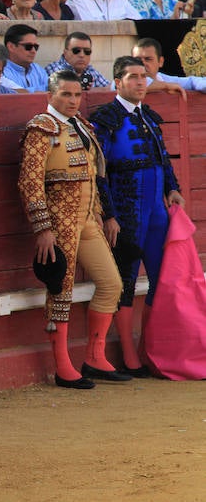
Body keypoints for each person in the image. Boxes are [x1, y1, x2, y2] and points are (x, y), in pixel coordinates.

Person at [17, 70, 127, 389]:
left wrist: (104, 215)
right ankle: (62, 366)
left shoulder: (82, 126)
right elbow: (29, 182)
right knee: (60, 291)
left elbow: (95, 176)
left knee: (110, 283)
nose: (72, 101)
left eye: (77, 95)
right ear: (49, 95)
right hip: (59, 220)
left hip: (88, 217)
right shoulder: (41, 128)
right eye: (65, 94)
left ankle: (94, 356)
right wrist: (43, 229)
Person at [88, 56, 185, 375]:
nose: (141, 82)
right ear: (117, 82)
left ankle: (151, 347)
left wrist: (173, 187)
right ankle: (129, 355)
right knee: (126, 279)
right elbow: (98, 171)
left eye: (144, 76)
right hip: (127, 209)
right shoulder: (105, 118)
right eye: (133, 77)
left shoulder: (150, 117)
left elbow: (164, 159)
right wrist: (109, 214)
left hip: (156, 209)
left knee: (161, 277)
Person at [133, 37, 206, 93]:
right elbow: (138, 83)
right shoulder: (127, 78)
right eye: (137, 60)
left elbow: (191, 82)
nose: (142, 63)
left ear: (160, 62)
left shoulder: (163, 78)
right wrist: (166, 86)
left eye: (148, 59)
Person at [44, 31, 110, 90]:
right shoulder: (54, 71)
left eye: (87, 51)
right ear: (65, 52)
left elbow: (110, 89)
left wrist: (92, 91)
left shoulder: (91, 71)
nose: (82, 55)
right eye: (76, 51)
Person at [3, 24, 47, 92]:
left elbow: (52, 93)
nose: (33, 51)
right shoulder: (1, 71)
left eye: (36, 47)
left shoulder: (38, 70)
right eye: (28, 46)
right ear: (11, 46)